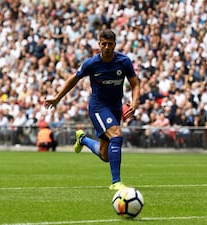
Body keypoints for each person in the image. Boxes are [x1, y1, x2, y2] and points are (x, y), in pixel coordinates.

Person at [44, 30, 140, 191]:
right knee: (116, 135)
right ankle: (116, 182)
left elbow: (135, 84)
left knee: (105, 155)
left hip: (115, 107)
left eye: (110, 44)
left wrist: (135, 102)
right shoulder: (92, 64)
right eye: (104, 44)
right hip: (98, 107)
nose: (107, 47)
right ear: (99, 44)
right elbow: (73, 79)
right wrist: (57, 98)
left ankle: (83, 140)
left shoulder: (124, 61)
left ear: (115, 45)